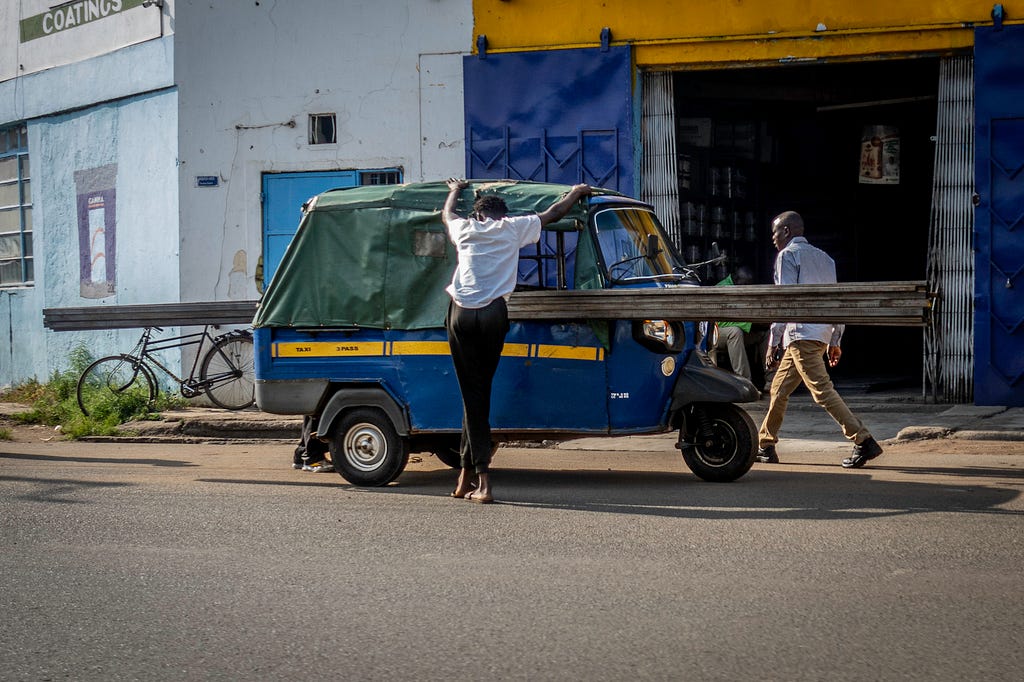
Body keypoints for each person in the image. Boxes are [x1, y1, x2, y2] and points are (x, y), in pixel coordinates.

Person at [442, 178, 592, 502]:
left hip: (461, 314)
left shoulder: (465, 229)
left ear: (479, 214)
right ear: (501, 215)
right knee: (477, 395)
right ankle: (474, 480)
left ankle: (473, 480)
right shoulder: (512, 228)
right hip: (494, 314)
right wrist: (576, 192)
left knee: (473, 396)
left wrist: (455, 189)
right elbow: (554, 212)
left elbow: (446, 213)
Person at [756, 211, 884, 468]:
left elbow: (785, 301)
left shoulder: (787, 256)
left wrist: (773, 339)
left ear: (787, 232)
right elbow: (834, 303)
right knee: (778, 390)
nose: (773, 238)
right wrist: (835, 339)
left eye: (775, 232)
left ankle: (863, 440)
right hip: (817, 334)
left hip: (801, 333)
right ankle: (765, 445)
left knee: (822, 391)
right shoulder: (825, 259)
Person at [710, 266, 756, 382]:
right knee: (734, 332)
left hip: (743, 329)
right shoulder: (723, 289)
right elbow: (720, 322)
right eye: (744, 284)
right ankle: (744, 382)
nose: (747, 287)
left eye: (749, 284)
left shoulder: (744, 288)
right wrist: (751, 323)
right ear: (735, 279)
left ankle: (771, 381)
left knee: (765, 334)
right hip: (717, 334)